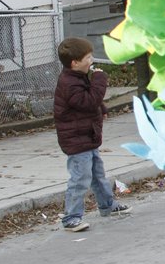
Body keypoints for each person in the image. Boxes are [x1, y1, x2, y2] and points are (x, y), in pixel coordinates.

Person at [54, 37, 132, 232]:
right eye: (88, 57)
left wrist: (101, 107)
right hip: (76, 139)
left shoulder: (78, 78)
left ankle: (107, 205)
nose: (92, 60)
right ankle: (71, 217)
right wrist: (100, 80)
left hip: (87, 136)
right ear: (75, 63)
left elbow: (90, 100)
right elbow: (87, 101)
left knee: (97, 175)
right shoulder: (69, 82)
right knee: (80, 178)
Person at [119, 0, 159, 96]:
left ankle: (144, 111)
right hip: (151, 30)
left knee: (142, 79)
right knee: (155, 75)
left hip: (134, 29)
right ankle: (157, 113)